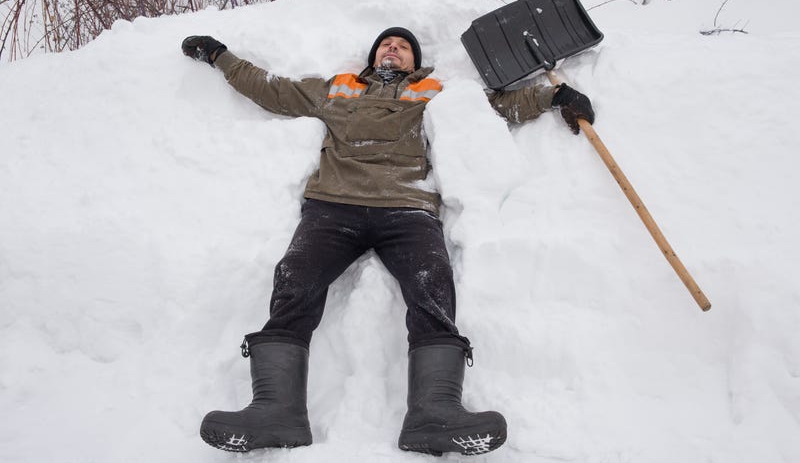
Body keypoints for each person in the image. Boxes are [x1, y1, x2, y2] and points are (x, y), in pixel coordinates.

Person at [181, 27, 594, 456]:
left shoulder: (437, 91)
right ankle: (276, 411)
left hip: (407, 207)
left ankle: (434, 414)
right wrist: (220, 57)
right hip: (333, 207)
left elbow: (496, 107)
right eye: (385, 44)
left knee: (433, 280)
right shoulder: (336, 88)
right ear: (372, 56)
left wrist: (554, 97)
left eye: (402, 46)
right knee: (293, 277)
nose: (392, 49)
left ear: (415, 60)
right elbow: (270, 89)